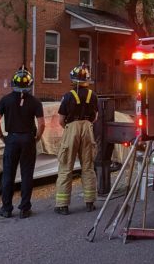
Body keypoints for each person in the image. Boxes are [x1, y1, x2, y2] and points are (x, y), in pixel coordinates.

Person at [0, 66, 45, 219]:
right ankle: (24, 208)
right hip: (28, 139)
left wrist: (1, 136)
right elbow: (41, 124)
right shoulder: (35, 102)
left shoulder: (5, 100)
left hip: (12, 139)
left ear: (13, 83)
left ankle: (6, 208)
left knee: (8, 174)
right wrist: (38, 137)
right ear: (30, 84)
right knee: (27, 174)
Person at [54, 63, 98, 215]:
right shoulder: (93, 95)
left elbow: (61, 120)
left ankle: (62, 205)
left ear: (73, 79)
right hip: (87, 127)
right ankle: (90, 202)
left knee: (66, 167)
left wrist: (71, 128)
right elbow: (95, 117)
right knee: (88, 166)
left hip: (71, 127)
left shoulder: (67, 96)